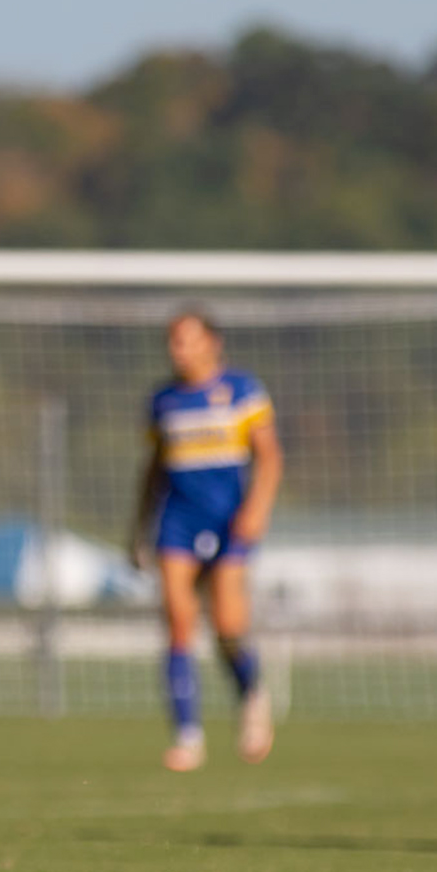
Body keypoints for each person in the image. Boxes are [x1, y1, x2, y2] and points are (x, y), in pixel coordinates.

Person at [130, 311, 283, 772]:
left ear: (212, 342)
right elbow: (154, 470)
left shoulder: (241, 390)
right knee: (177, 623)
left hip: (228, 522)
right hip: (177, 522)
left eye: (187, 341)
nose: (179, 350)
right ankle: (187, 736)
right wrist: (138, 527)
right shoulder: (163, 400)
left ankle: (252, 697)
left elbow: (270, 457)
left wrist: (256, 510)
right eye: (173, 342)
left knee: (228, 629)